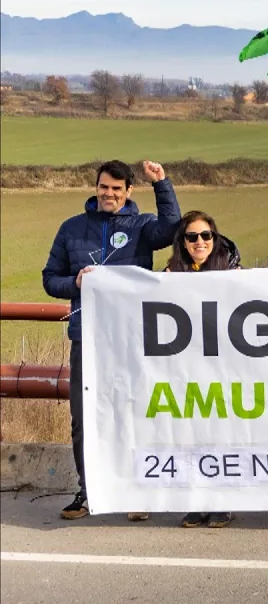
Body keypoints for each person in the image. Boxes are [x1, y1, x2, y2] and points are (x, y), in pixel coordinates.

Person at [42, 159, 181, 521]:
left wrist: (162, 184)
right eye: (104, 187)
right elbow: (49, 278)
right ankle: (88, 492)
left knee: (133, 413)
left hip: (132, 339)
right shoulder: (72, 228)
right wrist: (74, 283)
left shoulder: (143, 226)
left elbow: (171, 229)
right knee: (83, 418)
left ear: (128, 191)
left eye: (117, 189)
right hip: (86, 338)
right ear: (96, 187)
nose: (109, 194)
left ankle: (137, 493)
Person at [166, 211, 241, 529]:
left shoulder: (233, 269)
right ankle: (197, 501)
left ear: (215, 237)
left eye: (206, 235)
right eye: (192, 236)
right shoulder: (170, 273)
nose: (200, 242)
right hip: (187, 367)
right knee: (191, 435)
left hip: (223, 366)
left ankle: (222, 501)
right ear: (182, 242)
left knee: (221, 433)